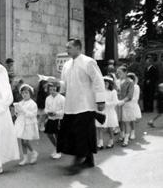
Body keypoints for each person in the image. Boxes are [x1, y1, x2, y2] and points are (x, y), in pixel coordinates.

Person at [57, 39, 105, 174]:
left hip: (85, 105)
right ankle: (89, 160)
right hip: (71, 105)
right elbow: (64, 84)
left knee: (81, 135)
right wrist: (55, 83)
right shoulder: (66, 65)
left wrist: (100, 101)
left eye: (70, 47)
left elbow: (98, 80)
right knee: (75, 133)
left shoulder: (88, 62)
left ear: (78, 48)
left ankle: (76, 164)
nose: (67, 50)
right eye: (66, 47)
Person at [14, 84, 40, 166]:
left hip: (29, 124)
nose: (24, 95)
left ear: (30, 94)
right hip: (21, 123)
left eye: (26, 93)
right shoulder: (20, 102)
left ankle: (34, 152)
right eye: (23, 93)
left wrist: (24, 111)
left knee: (25, 141)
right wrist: (17, 111)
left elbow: (33, 114)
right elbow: (18, 114)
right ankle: (25, 158)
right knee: (22, 141)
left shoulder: (33, 104)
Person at [96, 76, 119, 149]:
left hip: (109, 111)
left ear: (110, 84)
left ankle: (111, 141)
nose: (104, 84)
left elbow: (115, 102)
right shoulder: (100, 91)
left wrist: (106, 104)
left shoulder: (113, 92)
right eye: (103, 83)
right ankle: (100, 142)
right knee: (99, 127)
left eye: (106, 83)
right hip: (101, 111)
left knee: (110, 128)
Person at [44, 81, 65, 159]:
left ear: (57, 89)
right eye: (50, 90)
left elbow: (64, 110)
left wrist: (56, 113)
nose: (52, 91)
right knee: (49, 134)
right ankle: (57, 148)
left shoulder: (62, 98)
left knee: (57, 135)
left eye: (54, 90)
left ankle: (58, 151)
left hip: (58, 119)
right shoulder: (47, 98)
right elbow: (45, 109)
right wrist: (48, 112)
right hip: (50, 119)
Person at [116, 66, 135, 147]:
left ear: (125, 72)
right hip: (118, 104)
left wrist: (123, 101)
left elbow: (130, 95)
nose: (118, 74)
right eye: (118, 72)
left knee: (126, 122)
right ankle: (122, 135)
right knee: (120, 121)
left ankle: (126, 139)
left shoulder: (130, 82)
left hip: (126, 104)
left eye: (120, 72)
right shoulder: (117, 81)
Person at [127, 73, 142, 141]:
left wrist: (127, 100)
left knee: (132, 120)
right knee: (127, 120)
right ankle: (127, 133)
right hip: (127, 104)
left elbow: (136, 97)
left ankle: (132, 133)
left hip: (132, 104)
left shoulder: (136, 86)